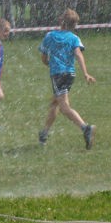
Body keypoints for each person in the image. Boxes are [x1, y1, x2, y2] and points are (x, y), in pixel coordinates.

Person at [37, 9, 96, 149]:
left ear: (61, 21)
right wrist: (85, 73)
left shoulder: (50, 36)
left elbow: (44, 58)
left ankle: (85, 128)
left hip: (57, 75)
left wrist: (49, 63)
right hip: (70, 74)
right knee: (55, 103)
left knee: (64, 107)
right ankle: (44, 133)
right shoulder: (74, 38)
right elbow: (79, 55)